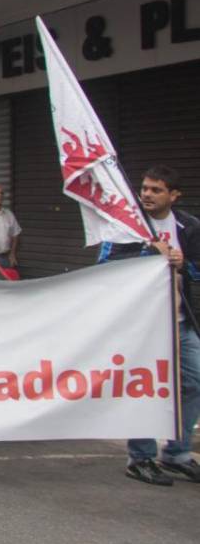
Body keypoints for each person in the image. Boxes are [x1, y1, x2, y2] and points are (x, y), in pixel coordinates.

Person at [98, 165, 200, 486]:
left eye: (156, 190)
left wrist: (186, 263)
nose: (147, 194)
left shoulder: (190, 226)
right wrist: (146, 251)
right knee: (144, 387)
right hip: (141, 325)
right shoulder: (125, 226)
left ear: (174, 195)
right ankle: (140, 457)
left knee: (194, 380)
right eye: (144, 188)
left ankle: (177, 452)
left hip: (181, 321)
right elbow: (104, 264)